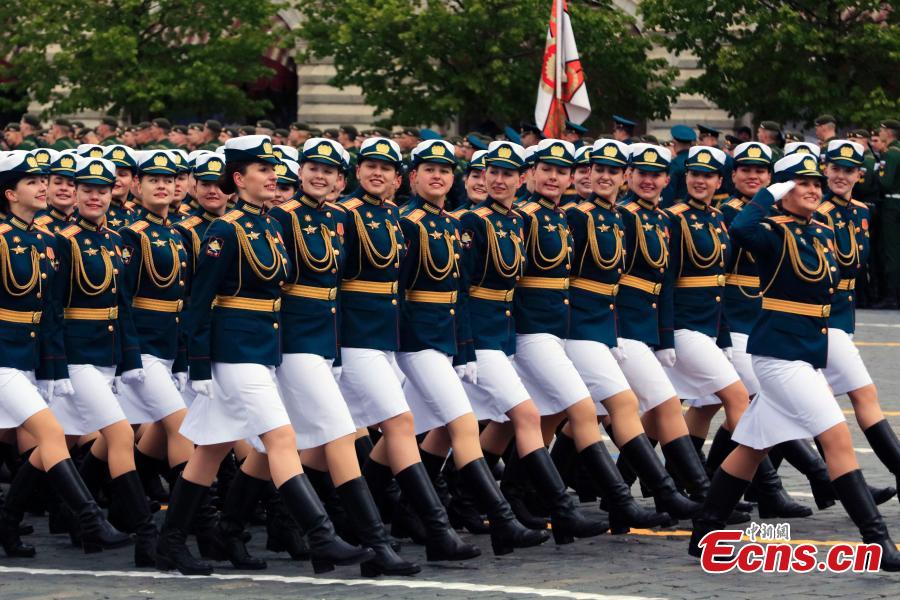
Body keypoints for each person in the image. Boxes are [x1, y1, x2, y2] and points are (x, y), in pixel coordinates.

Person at [156, 135, 373, 576]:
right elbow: (198, 301)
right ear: (239, 179)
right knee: (281, 440)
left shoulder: (271, 225)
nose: (273, 176)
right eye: (262, 170)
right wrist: (198, 363)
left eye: (274, 169)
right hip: (233, 353)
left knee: (210, 450)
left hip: (261, 350)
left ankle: (169, 542)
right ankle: (321, 535)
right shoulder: (225, 230)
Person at [688, 153, 900, 570]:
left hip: (806, 351)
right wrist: (769, 194)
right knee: (837, 438)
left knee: (752, 447)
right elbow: (740, 228)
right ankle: (878, 542)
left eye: (816, 183)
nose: (813, 190)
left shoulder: (820, 230)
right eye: (802, 183)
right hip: (780, 356)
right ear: (784, 189)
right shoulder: (771, 231)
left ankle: (704, 532)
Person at [266, 137, 420, 576]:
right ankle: (374, 543)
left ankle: (289, 530)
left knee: (315, 446)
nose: (320, 176)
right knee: (338, 434)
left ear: (339, 179)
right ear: (299, 172)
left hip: (327, 341)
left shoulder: (337, 218)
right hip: (294, 342)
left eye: (329, 171)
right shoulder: (281, 217)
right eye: (313, 168)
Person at [396, 139, 549, 555]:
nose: (438, 176)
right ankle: (502, 520)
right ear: (413, 176)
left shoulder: (450, 223)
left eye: (445, 170)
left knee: (423, 429)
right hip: (418, 340)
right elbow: (398, 292)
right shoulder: (408, 222)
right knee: (461, 424)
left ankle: (398, 507)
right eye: (429, 170)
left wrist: (462, 349)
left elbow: (459, 293)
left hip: (447, 339)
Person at [335, 136, 481, 562]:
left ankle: (355, 520)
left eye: (386, 168)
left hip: (387, 340)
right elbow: (331, 285)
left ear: (398, 179)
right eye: (370, 166)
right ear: (357, 172)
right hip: (354, 339)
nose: (377, 173)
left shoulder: (394, 219)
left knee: (337, 442)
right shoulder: (346, 216)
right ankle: (436, 528)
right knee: (396, 425)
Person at [457, 140, 608, 542]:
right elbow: (461, 288)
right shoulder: (474, 221)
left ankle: (463, 498)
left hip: (505, 333)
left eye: (508, 174)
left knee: (472, 424)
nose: (500, 180)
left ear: (520, 178)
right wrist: (464, 344)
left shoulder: (517, 221)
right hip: (482, 336)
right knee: (521, 416)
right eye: (494, 173)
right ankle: (561, 509)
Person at [558, 138, 700, 525]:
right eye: (599, 169)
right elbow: (560, 277)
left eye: (612, 171)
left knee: (571, 416)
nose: (605, 177)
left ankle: (537, 493)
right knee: (607, 409)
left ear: (623, 177)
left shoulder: (619, 218)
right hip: (576, 327)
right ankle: (661, 493)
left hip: (604, 328)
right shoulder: (577, 216)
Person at [665, 145, 810, 518]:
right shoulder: (724, 215)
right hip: (709, 324)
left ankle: (685, 480)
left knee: (703, 405)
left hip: (727, 323)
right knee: (745, 399)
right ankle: (765, 488)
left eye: (761, 170)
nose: (753, 176)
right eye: (745, 169)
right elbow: (685, 280)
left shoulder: (723, 216)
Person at [0, 151, 132, 559]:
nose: (43, 187)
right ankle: (90, 520)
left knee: (52, 438)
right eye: (31, 182)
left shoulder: (43, 240)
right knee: (52, 435)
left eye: (44, 180)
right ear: (10, 193)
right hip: (2, 354)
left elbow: (51, 311)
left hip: (27, 356)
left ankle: (7, 522)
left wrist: (51, 367)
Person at [49, 156, 158, 566]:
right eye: (87, 190)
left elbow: (123, 305)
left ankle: (20, 518)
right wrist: (54, 364)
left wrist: (130, 360)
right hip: (75, 355)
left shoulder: (115, 240)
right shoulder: (63, 241)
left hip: (107, 352)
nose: (94, 197)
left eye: (102, 190)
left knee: (59, 441)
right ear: (75, 194)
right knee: (119, 434)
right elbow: (52, 309)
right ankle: (146, 533)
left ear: (113, 193)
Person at [816, 139, 900, 499]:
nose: (841, 176)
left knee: (786, 416)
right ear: (825, 170)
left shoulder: (863, 211)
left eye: (848, 170)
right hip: (821, 317)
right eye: (836, 168)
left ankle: (825, 482)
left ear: (859, 175)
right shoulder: (817, 212)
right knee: (862, 393)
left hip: (843, 314)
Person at [876, 119, 900, 308]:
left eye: (881, 130)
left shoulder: (891, 154)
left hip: (892, 205)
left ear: (889, 132)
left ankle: (891, 296)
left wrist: (875, 173)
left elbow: (885, 182)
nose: (879, 133)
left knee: (891, 251)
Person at [660, 125, 695, 209]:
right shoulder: (696, 161)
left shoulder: (674, 164)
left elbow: (669, 191)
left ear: (674, 142)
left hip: (677, 209)